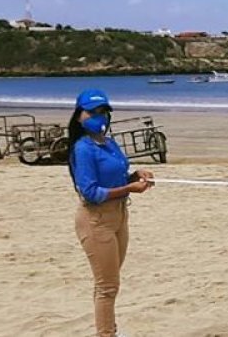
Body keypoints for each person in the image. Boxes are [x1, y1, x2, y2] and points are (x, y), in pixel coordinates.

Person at [67, 88, 154, 337]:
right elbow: (91, 192)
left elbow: (116, 176)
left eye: (104, 111)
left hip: (119, 216)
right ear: (79, 115)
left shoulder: (108, 142)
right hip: (97, 220)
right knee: (108, 286)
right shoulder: (83, 148)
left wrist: (136, 176)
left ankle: (108, 329)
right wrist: (129, 188)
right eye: (93, 112)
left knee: (108, 282)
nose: (99, 117)